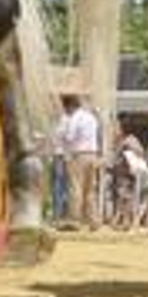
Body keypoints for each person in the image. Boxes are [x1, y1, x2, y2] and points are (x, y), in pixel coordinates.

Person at [54, 94, 102, 230]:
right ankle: (94, 221)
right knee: (90, 190)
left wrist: (61, 137)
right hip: (93, 153)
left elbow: (69, 136)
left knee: (75, 188)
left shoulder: (75, 117)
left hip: (78, 155)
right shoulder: (91, 117)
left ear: (69, 106)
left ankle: (74, 220)